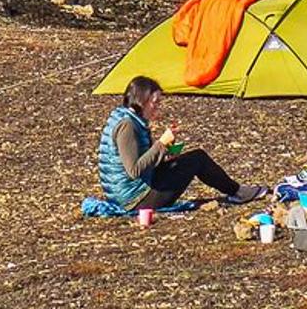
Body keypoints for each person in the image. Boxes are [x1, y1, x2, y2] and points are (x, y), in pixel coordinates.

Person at [94, 76, 245, 213]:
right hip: (133, 201)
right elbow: (134, 170)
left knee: (193, 158)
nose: (157, 107)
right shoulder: (127, 126)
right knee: (197, 159)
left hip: (131, 192)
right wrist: (161, 143)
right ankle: (237, 192)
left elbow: (143, 162)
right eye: (155, 103)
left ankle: (236, 191)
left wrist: (165, 153)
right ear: (141, 101)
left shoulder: (128, 119)